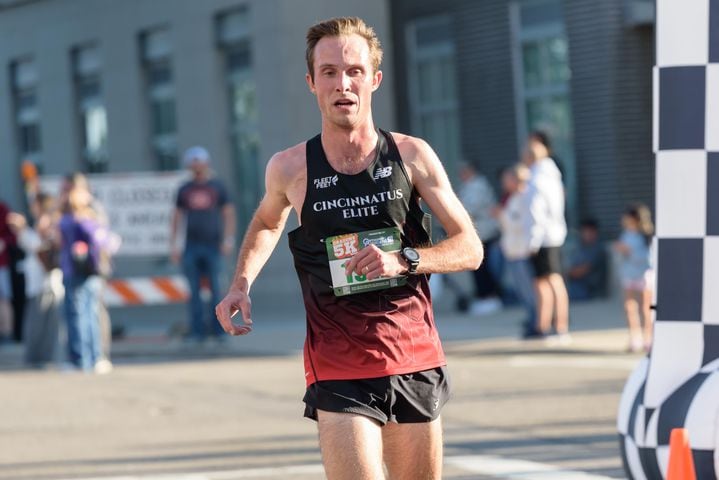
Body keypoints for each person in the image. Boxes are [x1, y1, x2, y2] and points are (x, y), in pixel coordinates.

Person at [215, 17, 483, 480]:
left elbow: (470, 247)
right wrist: (241, 283)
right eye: (330, 72)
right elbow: (265, 222)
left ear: (374, 79)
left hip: (415, 355)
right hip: (338, 364)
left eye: (355, 71)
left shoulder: (411, 156)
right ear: (311, 83)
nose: (343, 83)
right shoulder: (290, 168)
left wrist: (404, 259)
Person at [170, 146, 236, 343]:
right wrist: (174, 244)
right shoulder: (184, 189)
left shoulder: (217, 186)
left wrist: (228, 239)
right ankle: (197, 332)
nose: (197, 167)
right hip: (191, 245)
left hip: (213, 246)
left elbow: (228, 214)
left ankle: (219, 331)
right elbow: (177, 217)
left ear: (206, 164)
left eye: (200, 163)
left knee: (217, 290)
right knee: (194, 292)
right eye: (194, 164)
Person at [523, 131, 570, 344]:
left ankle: (558, 327)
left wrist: (532, 240)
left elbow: (538, 210)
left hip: (544, 236)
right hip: (550, 234)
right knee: (543, 282)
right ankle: (543, 327)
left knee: (550, 281)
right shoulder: (548, 172)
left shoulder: (540, 175)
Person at [6, 192, 62, 368]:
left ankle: (42, 358)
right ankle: (38, 358)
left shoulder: (48, 224)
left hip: (46, 284)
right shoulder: (43, 224)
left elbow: (39, 247)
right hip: (39, 284)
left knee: (41, 325)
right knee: (37, 323)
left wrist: (22, 229)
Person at [497, 163, 537, 338]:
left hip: (522, 250)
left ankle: (536, 320)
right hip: (513, 249)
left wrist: (501, 215)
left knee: (528, 290)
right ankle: (532, 317)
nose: (504, 183)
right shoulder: (512, 197)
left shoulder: (524, 197)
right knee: (521, 289)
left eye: (507, 179)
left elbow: (521, 223)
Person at [457, 162, 503, 315]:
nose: (460, 174)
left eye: (463, 171)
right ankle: (484, 296)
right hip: (477, 233)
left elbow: (469, 208)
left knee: (482, 267)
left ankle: (488, 297)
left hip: (483, 232)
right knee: (478, 268)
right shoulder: (470, 186)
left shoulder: (477, 186)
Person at [614, 204, 654, 353]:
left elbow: (648, 258)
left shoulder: (646, 236)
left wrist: (629, 251)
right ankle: (634, 338)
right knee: (629, 307)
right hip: (628, 275)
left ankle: (648, 338)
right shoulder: (625, 235)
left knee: (646, 307)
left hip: (644, 274)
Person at [567, 218, 607, 301]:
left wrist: (565, 274)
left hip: (589, 289)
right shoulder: (580, 246)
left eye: (590, 231)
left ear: (595, 232)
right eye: (584, 231)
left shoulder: (597, 249)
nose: (587, 234)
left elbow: (582, 271)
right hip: (576, 285)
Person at [0, 200, 16, 344]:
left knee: (4, 299)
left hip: (1, 264)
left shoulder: (3, 209)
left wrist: (3, 242)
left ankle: (7, 334)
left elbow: (13, 234)